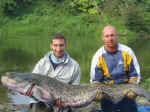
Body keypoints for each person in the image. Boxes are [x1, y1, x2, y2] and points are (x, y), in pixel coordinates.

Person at [90, 25, 141, 112]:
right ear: (103, 38)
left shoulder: (127, 51)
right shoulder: (98, 56)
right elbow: (96, 81)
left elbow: (135, 75)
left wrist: (133, 88)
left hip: (126, 94)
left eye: (112, 35)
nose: (110, 38)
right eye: (107, 36)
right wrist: (97, 92)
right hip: (107, 96)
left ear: (117, 36)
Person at [30, 33, 81, 111]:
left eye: (61, 45)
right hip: (41, 101)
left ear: (65, 46)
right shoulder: (42, 63)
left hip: (63, 102)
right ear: (51, 46)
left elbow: (75, 91)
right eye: (55, 45)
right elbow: (32, 85)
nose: (58, 49)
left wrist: (64, 101)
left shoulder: (75, 66)